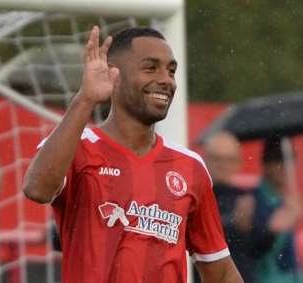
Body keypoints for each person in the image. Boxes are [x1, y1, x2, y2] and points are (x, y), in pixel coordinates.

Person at [22, 26, 243, 283]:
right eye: (151, 68)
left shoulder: (189, 167)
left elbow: (220, 270)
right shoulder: (79, 146)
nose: (166, 80)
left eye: (171, 71)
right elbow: (37, 189)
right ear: (113, 75)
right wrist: (85, 99)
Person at [197, 132, 255, 283]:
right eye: (217, 159)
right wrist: (235, 222)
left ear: (238, 162)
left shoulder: (247, 198)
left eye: (229, 160)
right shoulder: (196, 195)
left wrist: (268, 228)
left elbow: (261, 246)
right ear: (205, 160)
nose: (223, 165)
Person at [251, 136, 302, 283]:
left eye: (289, 159)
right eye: (276, 159)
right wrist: (275, 228)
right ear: (265, 164)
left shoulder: (286, 199)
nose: (284, 166)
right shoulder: (257, 200)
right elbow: (256, 251)